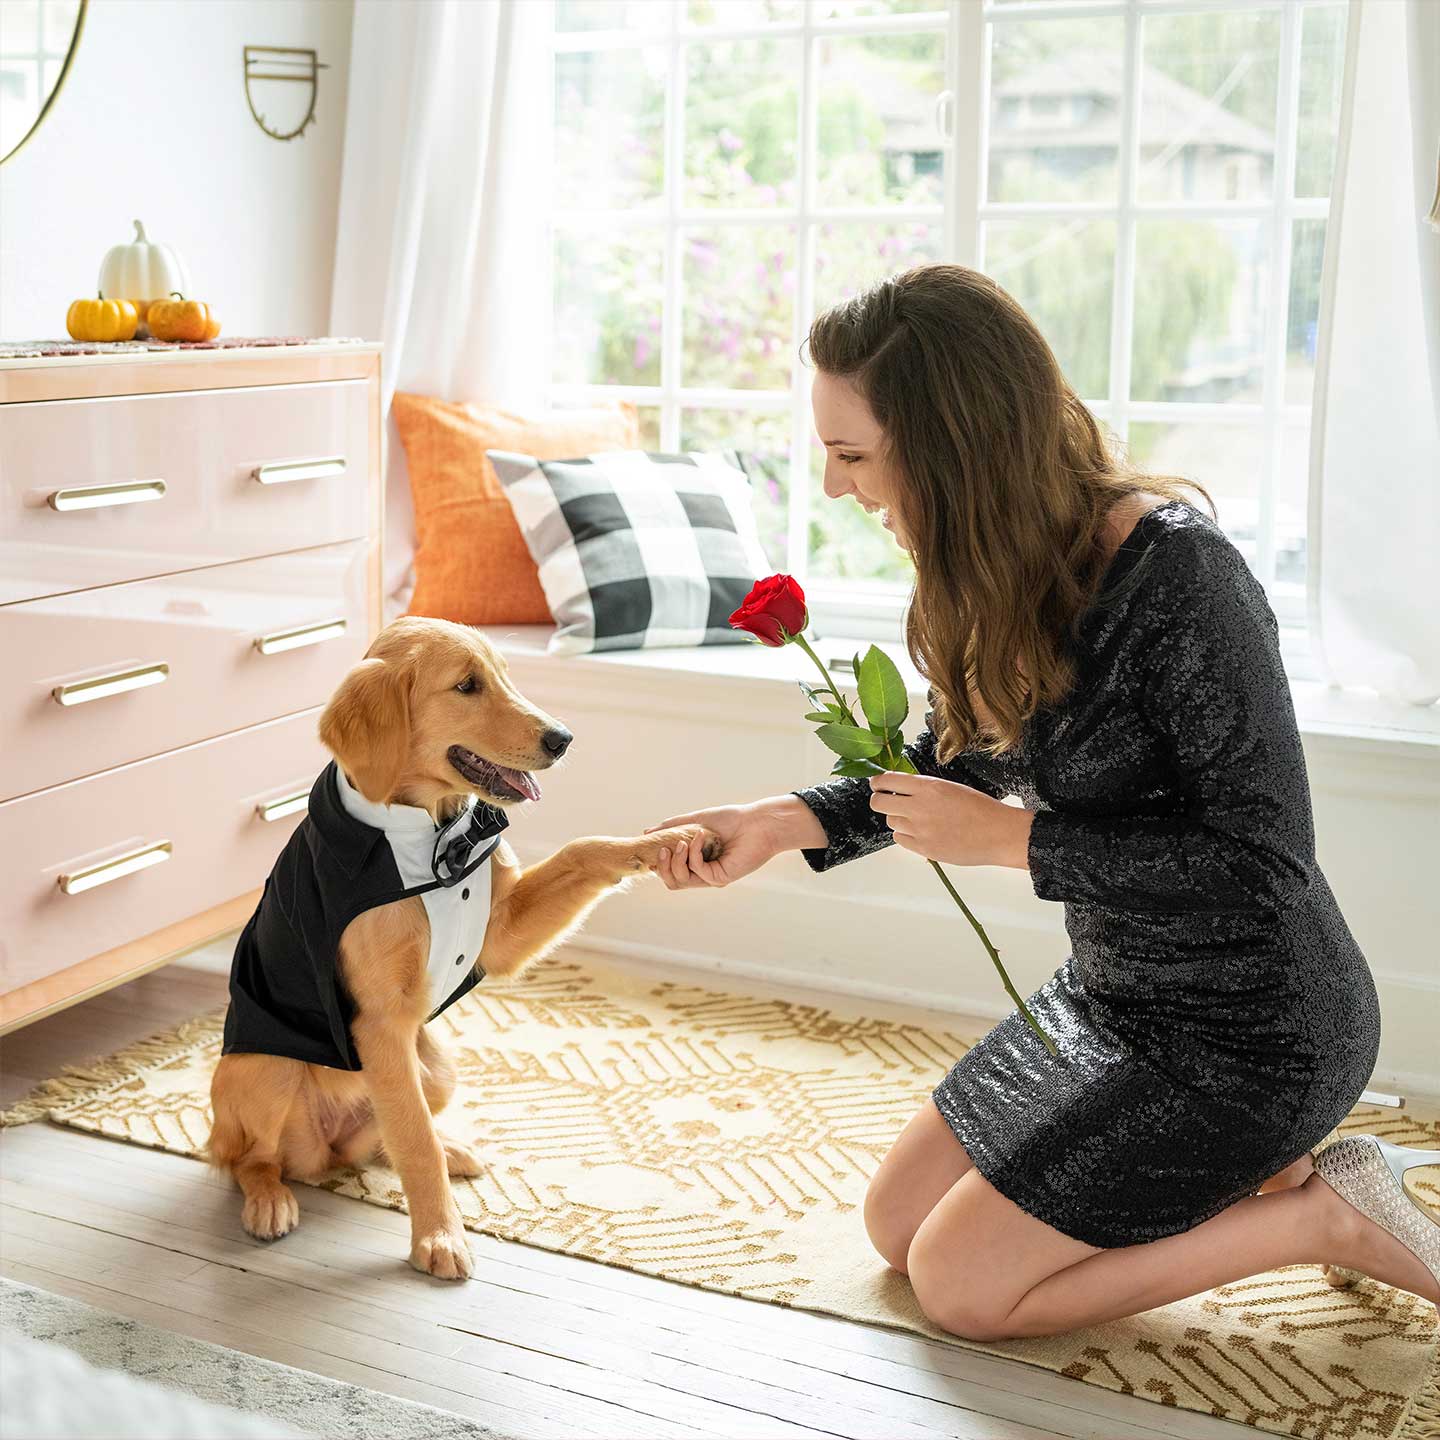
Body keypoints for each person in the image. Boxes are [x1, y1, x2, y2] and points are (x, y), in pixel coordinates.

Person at [644, 264, 1440, 1339]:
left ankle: (1323, 1215)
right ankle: (1256, 1175)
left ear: (951, 447)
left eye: (851, 455)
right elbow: (958, 760)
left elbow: (1263, 861)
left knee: (968, 1290)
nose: (835, 486)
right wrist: (779, 822)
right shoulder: (1007, 561)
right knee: (897, 1229)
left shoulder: (1182, 581)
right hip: (1114, 998)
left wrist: (1020, 843)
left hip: (1258, 1033)